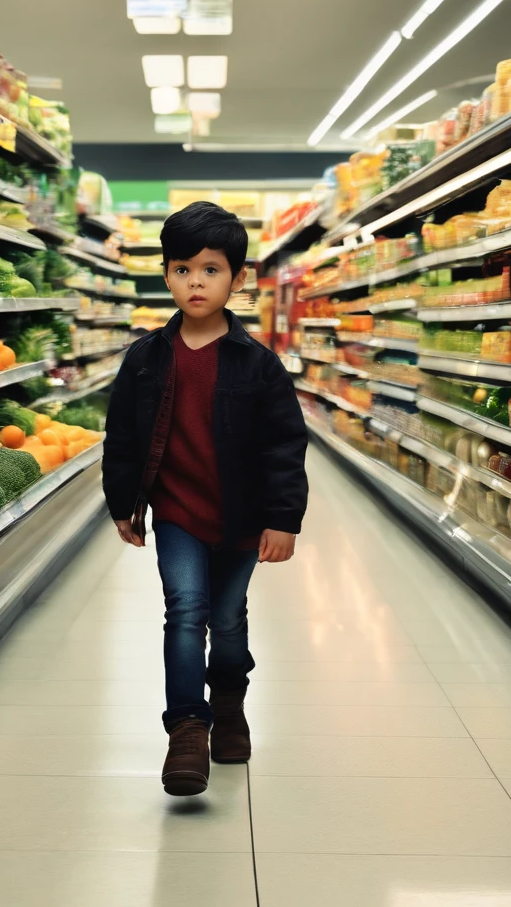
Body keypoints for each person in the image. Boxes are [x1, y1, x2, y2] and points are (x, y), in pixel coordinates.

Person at [102, 201, 308, 796]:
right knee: (185, 614)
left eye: (211, 270)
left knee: (228, 619)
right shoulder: (144, 359)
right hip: (177, 514)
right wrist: (124, 503)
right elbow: (122, 438)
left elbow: (283, 447)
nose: (197, 281)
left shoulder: (260, 367)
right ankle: (187, 728)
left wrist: (283, 519)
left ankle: (229, 705)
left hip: (242, 516)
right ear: (166, 274)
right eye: (184, 268)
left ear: (238, 280)